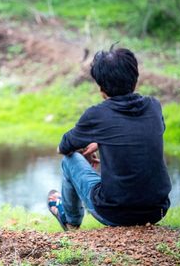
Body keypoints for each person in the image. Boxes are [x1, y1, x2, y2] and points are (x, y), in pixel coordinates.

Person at [47, 46, 172, 230]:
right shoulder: (154, 106)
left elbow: (64, 146)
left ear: (101, 87)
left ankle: (70, 219)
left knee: (69, 160)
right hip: (157, 210)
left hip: (114, 213)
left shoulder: (97, 114)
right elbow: (140, 133)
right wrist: (100, 142)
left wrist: (83, 147)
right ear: (135, 79)